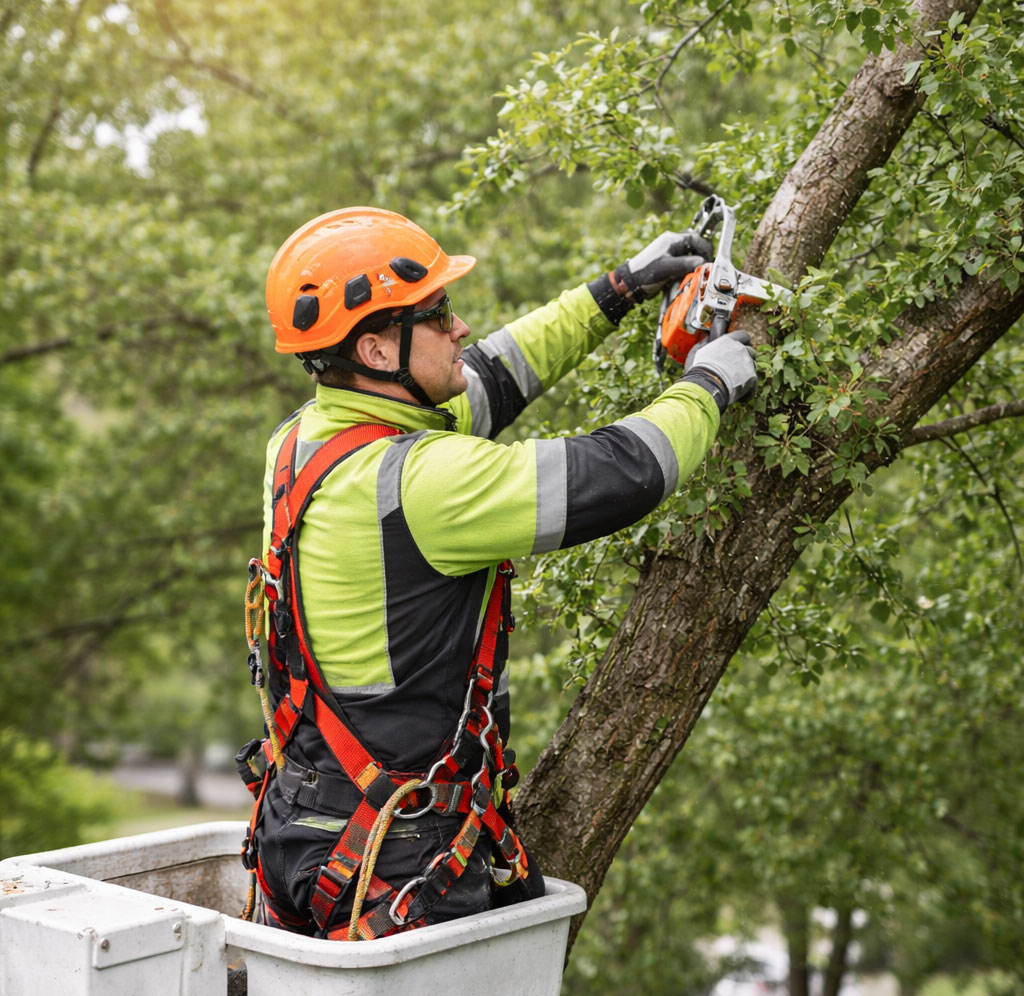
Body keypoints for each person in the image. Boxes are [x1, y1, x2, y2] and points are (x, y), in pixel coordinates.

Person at [239, 206, 757, 940]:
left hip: (303, 822)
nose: (459, 327)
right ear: (377, 349)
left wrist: (619, 288)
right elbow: (624, 473)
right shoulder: (424, 483)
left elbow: (493, 376)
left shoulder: (304, 441)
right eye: (436, 313)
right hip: (398, 857)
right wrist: (708, 384)